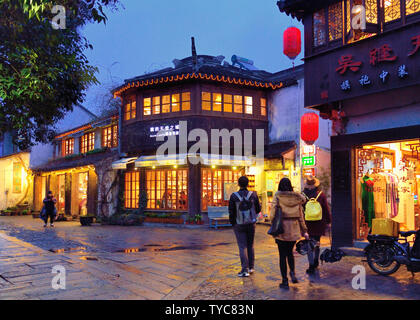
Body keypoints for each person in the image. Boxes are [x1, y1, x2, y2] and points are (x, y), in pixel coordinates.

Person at [270, 178, 309, 289]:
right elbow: (301, 216)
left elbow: (272, 214)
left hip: (281, 229)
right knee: (290, 253)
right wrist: (304, 230)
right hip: (294, 229)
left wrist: (273, 223)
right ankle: (292, 272)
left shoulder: (278, 197)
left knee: (282, 255)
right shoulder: (297, 198)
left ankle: (284, 280)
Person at [229, 176, 261, 277]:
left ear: (238, 184)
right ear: (248, 184)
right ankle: (251, 267)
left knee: (242, 246)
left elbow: (231, 211)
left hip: (239, 223)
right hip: (251, 223)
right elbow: (258, 208)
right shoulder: (253, 195)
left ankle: (244, 270)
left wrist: (233, 223)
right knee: (250, 245)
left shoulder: (234, 196)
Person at [302, 175, 331, 274]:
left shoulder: (303, 195)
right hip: (319, 223)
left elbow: (300, 211)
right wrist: (329, 221)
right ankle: (316, 261)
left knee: (309, 244)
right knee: (317, 242)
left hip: (307, 224)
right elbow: (326, 210)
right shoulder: (321, 195)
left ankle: (311, 265)